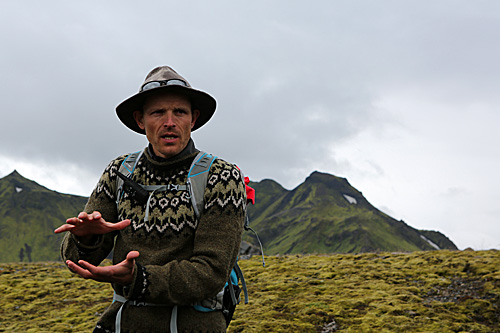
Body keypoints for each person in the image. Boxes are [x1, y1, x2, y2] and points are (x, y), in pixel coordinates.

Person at [55, 66, 246, 332]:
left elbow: (211, 272)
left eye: (179, 112)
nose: (170, 122)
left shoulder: (222, 177)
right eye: (158, 113)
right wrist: (86, 238)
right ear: (140, 120)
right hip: (122, 323)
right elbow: (75, 261)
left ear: (193, 119)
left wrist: (139, 279)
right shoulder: (118, 172)